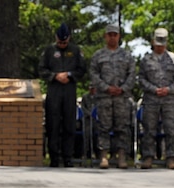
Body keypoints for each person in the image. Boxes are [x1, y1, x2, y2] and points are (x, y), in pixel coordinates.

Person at [39, 23, 86, 167]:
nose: (62, 44)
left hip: (69, 90)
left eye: (64, 42)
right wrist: (54, 76)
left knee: (69, 124)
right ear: (56, 38)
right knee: (53, 124)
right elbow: (41, 70)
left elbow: (82, 70)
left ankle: (67, 157)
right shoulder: (49, 50)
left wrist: (70, 75)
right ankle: (54, 157)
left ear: (69, 39)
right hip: (54, 90)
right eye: (60, 42)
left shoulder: (76, 50)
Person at [90, 23, 136, 169]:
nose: (112, 37)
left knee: (122, 127)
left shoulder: (127, 55)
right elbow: (93, 74)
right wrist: (106, 87)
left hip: (122, 98)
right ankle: (104, 156)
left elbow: (132, 75)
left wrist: (122, 89)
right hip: (104, 97)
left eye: (114, 35)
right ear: (105, 36)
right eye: (109, 34)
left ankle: (121, 156)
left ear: (119, 36)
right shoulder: (98, 55)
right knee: (104, 126)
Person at [138, 27, 174, 169]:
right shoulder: (146, 59)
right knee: (149, 129)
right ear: (153, 42)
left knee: (171, 129)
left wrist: (169, 89)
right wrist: (153, 89)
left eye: (162, 44)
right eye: (157, 44)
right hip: (151, 99)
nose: (160, 47)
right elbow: (141, 79)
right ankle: (148, 157)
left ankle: (171, 157)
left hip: (170, 100)